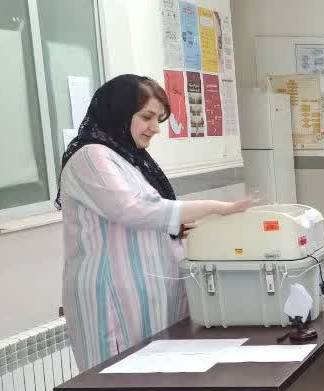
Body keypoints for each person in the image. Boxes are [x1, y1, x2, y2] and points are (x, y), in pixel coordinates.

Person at [58, 74, 254, 372]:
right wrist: (216, 208)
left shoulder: (130, 157)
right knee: (119, 382)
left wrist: (176, 226)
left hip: (150, 289)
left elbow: (150, 212)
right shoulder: (91, 157)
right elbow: (133, 209)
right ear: (119, 113)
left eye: (158, 118)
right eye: (146, 117)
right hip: (114, 295)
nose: (155, 128)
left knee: (158, 381)